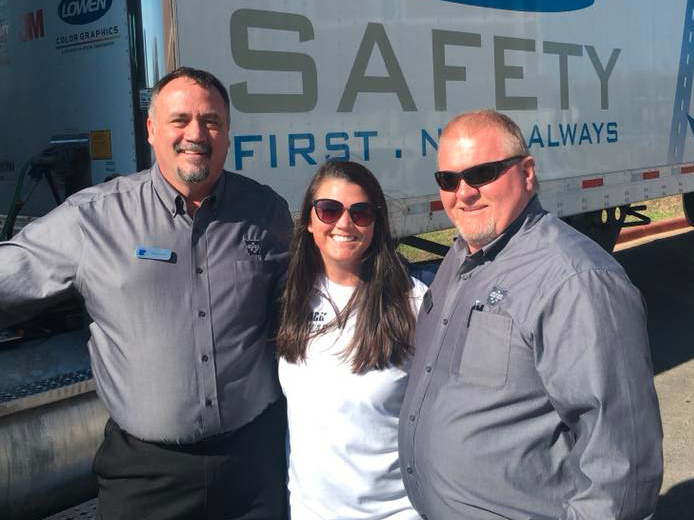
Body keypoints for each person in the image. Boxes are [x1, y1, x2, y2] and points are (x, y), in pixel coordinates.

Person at [0, 67, 292, 519]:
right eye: (179, 120)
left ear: (226, 133)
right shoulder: (94, 219)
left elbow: (307, 303)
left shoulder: (266, 211)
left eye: (211, 121)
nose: (196, 134)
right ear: (151, 130)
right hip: (146, 477)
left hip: (254, 465)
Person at [398, 110, 663, 520]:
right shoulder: (460, 256)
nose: (464, 192)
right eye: (448, 180)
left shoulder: (576, 279)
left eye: (482, 173)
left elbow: (621, 470)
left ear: (526, 173)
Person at [277, 161, 427, 520]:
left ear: (377, 224)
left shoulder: (414, 304)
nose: (344, 223)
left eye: (360, 213)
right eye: (329, 210)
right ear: (309, 221)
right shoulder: (289, 298)